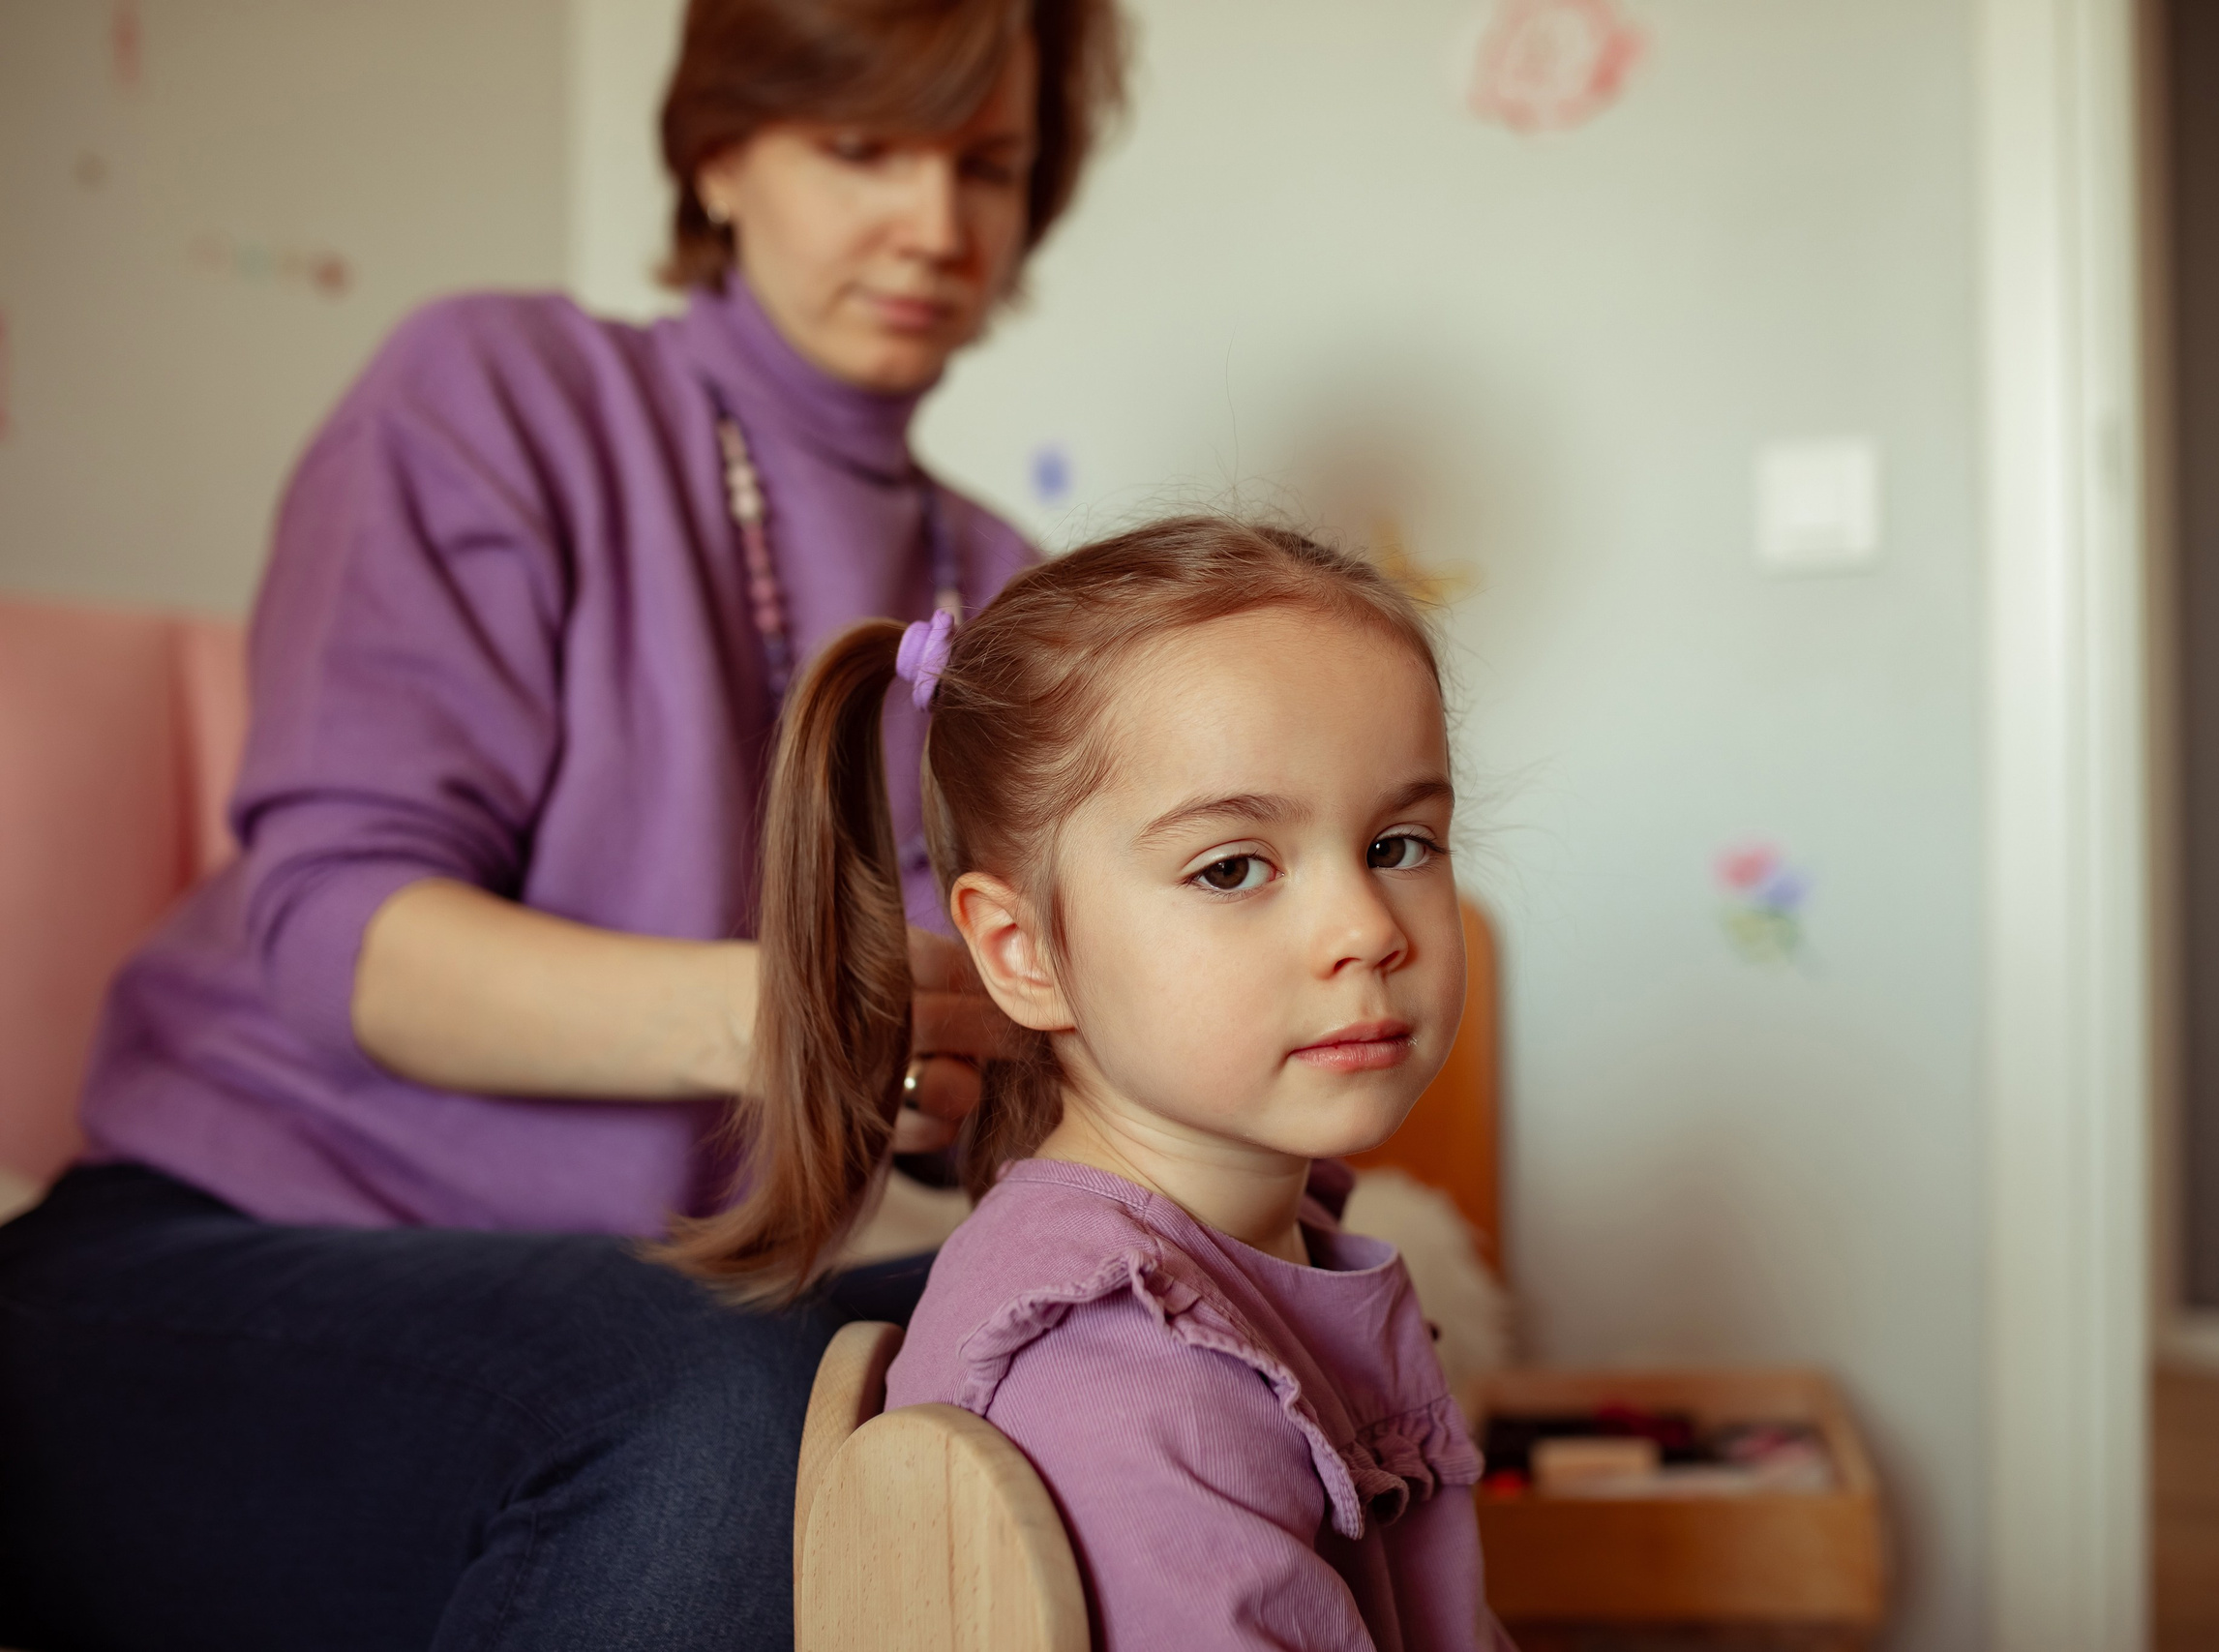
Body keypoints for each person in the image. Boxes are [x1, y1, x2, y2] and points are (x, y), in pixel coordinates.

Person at [0, 2, 1124, 1647]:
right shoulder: (495, 392)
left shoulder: (1010, 589)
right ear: (724, 150)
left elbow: (972, 1068)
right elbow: (336, 935)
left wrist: (1001, 1084)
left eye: (991, 165)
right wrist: (794, 1014)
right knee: (720, 1404)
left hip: (650, 1292)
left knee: (1123, 1354)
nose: (935, 225)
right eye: (863, 147)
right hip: (211, 1257)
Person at [674, 518, 1513, 1650]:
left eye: (1399, 845)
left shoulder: (1272, 1228)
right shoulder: (1124, 1371)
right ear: (1020, 952)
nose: (1364, 930)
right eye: (1231, 867)